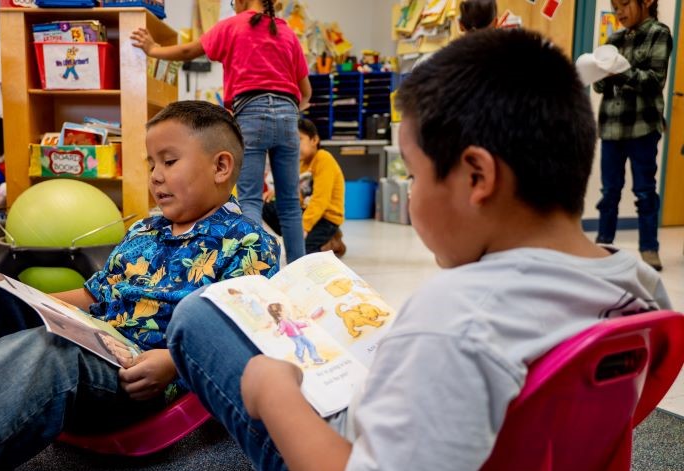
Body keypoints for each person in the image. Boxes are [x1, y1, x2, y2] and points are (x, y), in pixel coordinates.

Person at [166, 29, 671, 470]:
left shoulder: (456, 318)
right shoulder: (639, 284)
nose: (409, 194)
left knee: (199, 317)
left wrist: (275, 395)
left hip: (340, 445)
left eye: (413, 173)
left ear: (477, 177)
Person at [0, 101, 280, 470]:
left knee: (45, 349)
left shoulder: (248, 243)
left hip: (135, 373)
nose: (156, 175)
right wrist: (18, 298)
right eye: (151, 163)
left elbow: (242, 336)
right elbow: (93, 296)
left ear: (221, 166)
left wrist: (173, 363)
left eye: (170, 161)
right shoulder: (145, 229)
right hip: (89, 334)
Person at [131, 0, 311, 263]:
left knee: (250, 199)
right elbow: (306, 92)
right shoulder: (285, 32)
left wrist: (153, 49)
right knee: (290, 204)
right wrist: (288, 109)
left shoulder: (232, 25)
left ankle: (251, 268)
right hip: (288, 116)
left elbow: (187, 51)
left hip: (251, 112)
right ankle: (299, 270)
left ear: (240, 1)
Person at [593, 0, 672, 271]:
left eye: (624, 3)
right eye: (615, 6)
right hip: (612, 127)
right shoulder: (613, 38)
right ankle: (604, 245)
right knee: (609, 192)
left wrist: (620, 70)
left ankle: (649, 249)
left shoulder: (658, 33)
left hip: (643, 127)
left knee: (644, 191)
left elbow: (654, 81)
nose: (619, 12)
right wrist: (598, 71)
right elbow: (600, 84)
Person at [263, 119, 346, 256]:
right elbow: (294, 190)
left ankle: (331, 241)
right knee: (265, 205)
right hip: (306, 212)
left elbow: (320, 200)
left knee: (303, 253)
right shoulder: (301, 163)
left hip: (326, 218)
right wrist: (276, 191)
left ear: (314, 140)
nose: (294, 145)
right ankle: (317, 238)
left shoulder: (323, 158)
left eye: (299, 139)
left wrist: (304, 227)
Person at [267, 302, 325, 366]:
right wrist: (278, 332)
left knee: (311, 344)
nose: (287, 311)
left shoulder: (289, 319)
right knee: (301, 347)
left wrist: (305, 324)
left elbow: (297, 324)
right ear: (280, 313)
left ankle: (316, 359)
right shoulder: (282, 322)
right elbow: (281, 329)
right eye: (285, 310)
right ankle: (299, 357)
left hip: (301, 334)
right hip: (294, 337)